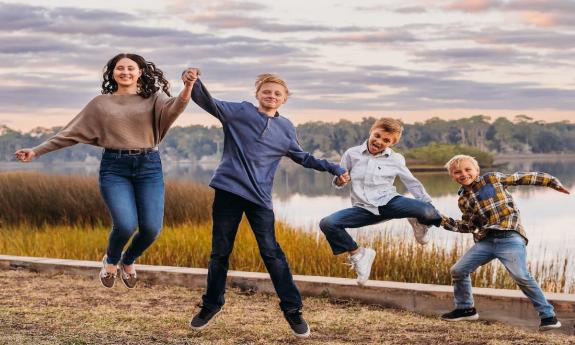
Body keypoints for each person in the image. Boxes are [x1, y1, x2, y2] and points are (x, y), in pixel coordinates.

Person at [181, 69, 348, 338]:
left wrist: (332, 167)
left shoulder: (285, 128)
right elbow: (207, 101)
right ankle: (211, 305)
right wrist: (191, 80)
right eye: (266, 91)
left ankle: (293, 310)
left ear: (284, 99)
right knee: (220, 252)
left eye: (277, 93)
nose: (271, 96)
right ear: (257, 94)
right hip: (228, 191)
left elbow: (302, 157)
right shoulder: (239, 112)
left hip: (259, 197)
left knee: (272, 253)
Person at [15, 53, 196, 289]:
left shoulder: (154, 98)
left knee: (151, 229)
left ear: (140, 72)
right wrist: (37, 151)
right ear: (112, 73)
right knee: (125, 225)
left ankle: (128, 260)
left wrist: (188, 86)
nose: (125, 72)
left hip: (149, 166)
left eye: (131, 68)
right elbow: (70, 134)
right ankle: (111, 261)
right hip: (115, 167)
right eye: (120, 68)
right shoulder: (100, 104)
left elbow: (176, 108)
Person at [439, 154, 569, 331]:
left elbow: (521, 177)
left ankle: (548, 317)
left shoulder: (491, 179)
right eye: (457, 172)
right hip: (486, 241)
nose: (463, 174)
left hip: (509, 237)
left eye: (468, 169)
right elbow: (469, 225)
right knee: (458, 270)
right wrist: (440, 221)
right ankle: (465, 309)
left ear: (476, 170)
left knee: (521, 275)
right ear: (452, 176)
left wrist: (552, 182)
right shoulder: (463, 199)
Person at [319, 118, 442, 285]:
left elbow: (411, 182)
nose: (379, 141)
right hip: (363, 208)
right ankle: (358, 254)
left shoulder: (396, 159)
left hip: (390, 202)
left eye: (386, 140)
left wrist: (427, 206)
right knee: (328, 223)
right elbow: (339, 181)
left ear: (392, 143)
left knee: (429, 211)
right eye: (377, 136)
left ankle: (418, 222)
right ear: (371, 131)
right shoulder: (351, 154)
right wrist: (341, 180)